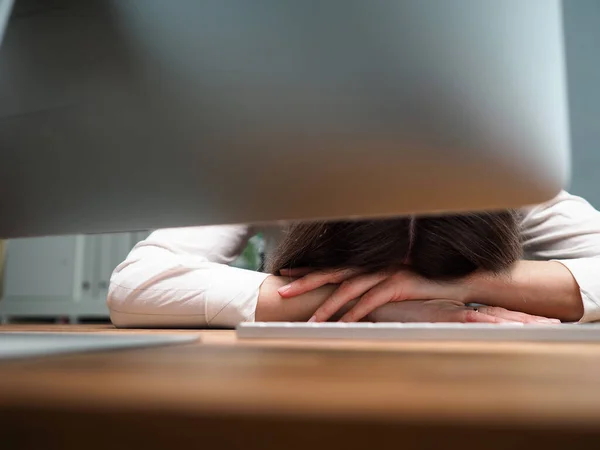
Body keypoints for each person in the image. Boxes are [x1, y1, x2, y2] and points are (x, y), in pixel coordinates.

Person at [107, 190, 600, 328]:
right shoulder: (265, 159)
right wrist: (382, 305)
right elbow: (137, 286)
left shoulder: (502, 174)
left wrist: (466, 287)